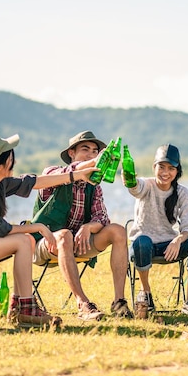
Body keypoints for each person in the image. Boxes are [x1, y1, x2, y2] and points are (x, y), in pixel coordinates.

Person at [0, 134, 97, 328]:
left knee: (26, 240)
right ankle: (26, 309)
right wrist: (39, 227)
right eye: (10, 155)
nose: (13, 159)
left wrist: (77, 175)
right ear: (2, 163)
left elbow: (33, 182)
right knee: (23, 241)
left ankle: (19, 306)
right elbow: (1, 230)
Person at [32, 131, 132, 320]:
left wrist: (88, 227)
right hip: (44, 244)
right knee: (63, 235)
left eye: (95, 152)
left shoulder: (94, 186)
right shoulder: (52, 173)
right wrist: (90, 166)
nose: (91, 155)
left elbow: (102, 218)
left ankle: (119, 302)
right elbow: (66, 172)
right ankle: (83, 303)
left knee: (117, 231)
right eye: (85, 149)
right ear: (71, 153)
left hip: (78, 244)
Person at [124, 143, 188, 315]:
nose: (165, 172)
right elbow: (135, 188)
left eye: (171, 168)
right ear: (154, 167)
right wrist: (128, 179)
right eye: (161, 167)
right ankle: (146, 294)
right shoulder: (147, 185)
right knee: (142, 242)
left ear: (177, 171)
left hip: (168, 246)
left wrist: (177, 240)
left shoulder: (183, 193)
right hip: (142, 247)